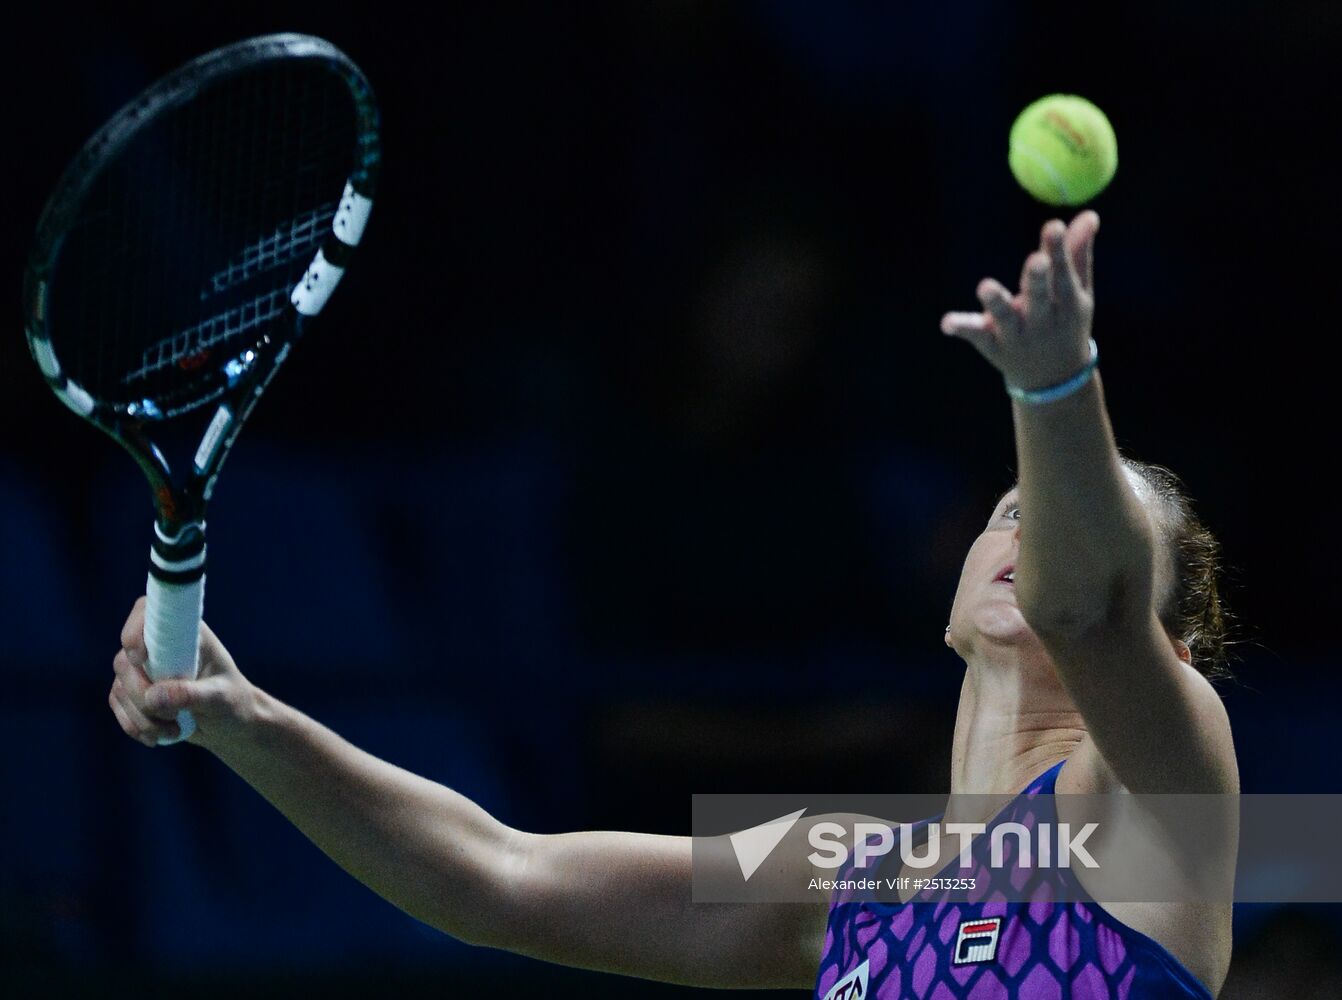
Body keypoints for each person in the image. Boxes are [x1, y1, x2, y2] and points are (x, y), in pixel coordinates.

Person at [109, 210, 1238, 997]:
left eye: (1089, 529)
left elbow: (1088, 612)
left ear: (1175, 650)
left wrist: (1054, 389)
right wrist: (245, 721)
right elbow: (500, 875)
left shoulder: (1159, 796)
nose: (1032, 535)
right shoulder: (844, 868)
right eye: (1011, 509)